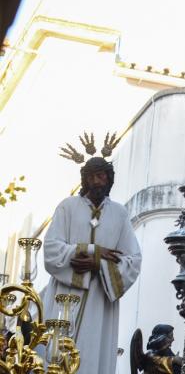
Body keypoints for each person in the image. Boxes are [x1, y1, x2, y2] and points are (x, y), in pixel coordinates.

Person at [42, 157, 142, 373]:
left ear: (109, 179)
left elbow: (133, 261)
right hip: (65, 296)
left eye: (101, 176)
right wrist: (91, 251)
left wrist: (100, 265)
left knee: (92, 355)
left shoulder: (119, 214)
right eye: (92, 176)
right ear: (85, 180)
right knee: (55, 356)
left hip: (100, 302)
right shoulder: (67, 207)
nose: (97, 181)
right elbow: (51, 249)